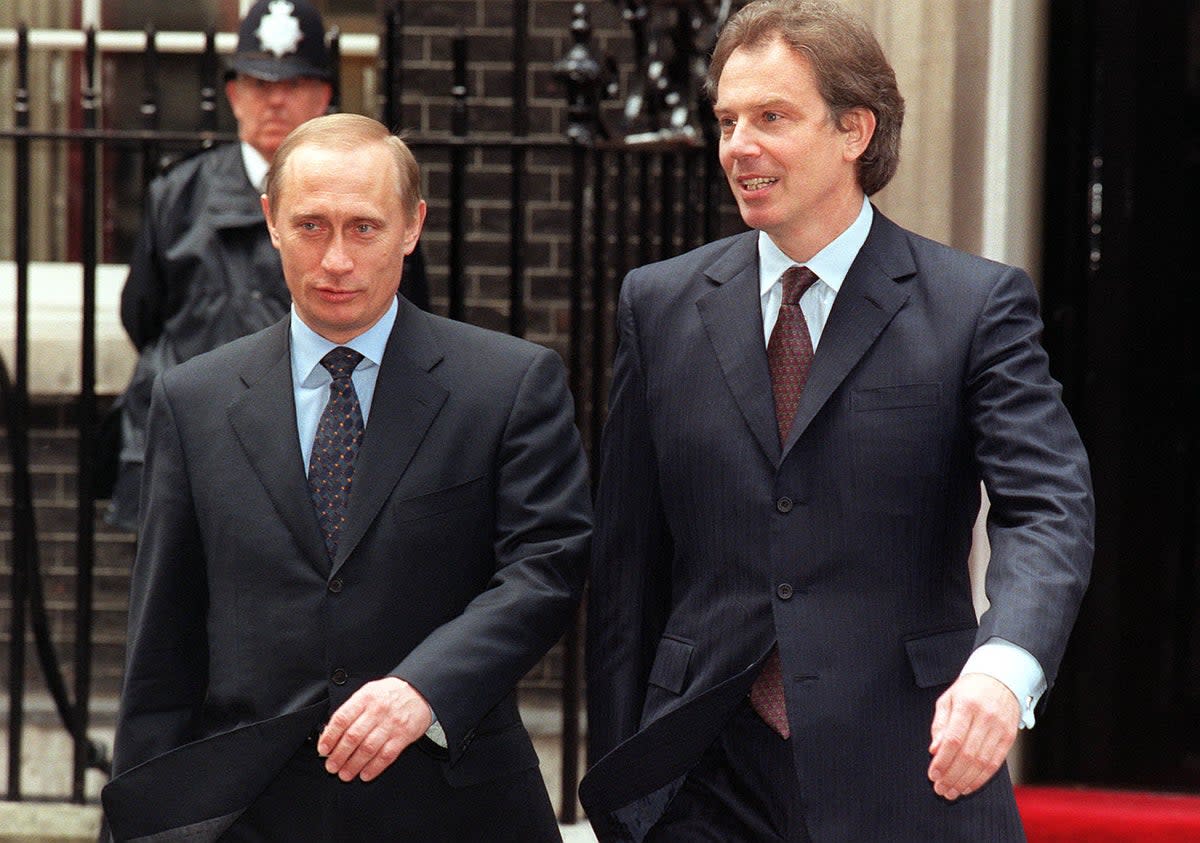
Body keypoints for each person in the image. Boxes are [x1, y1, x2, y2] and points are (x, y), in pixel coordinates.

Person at [580, 1, 1094, 841]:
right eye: (727, 120)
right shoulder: (659, 304)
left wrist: (1004, 670)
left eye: (771, 117)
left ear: (854, 129)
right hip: (702, 774)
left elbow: (1049, 508)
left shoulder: (974, 305)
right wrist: (622, 786)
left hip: (911, 760)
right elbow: (627, 562)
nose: (738, 145)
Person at [101, 113, 591, 842]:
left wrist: (425, 687)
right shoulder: (192, 400)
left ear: (412, 226)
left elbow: (546, 566)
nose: (336, 259)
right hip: (252, 814)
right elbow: (164, 648)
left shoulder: (509, 384)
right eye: (311, 226)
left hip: (455, 809)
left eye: (364, 227)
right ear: (270, 222)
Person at [105, 0, 429, 530]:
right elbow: (142, 313)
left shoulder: (378, 199)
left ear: (324, 95)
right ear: (233, 95)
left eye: (295, 84)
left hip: (323, 442)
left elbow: (410, 321)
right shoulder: (177, 193)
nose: (276, 100)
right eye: (259, 84)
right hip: (199, 438)